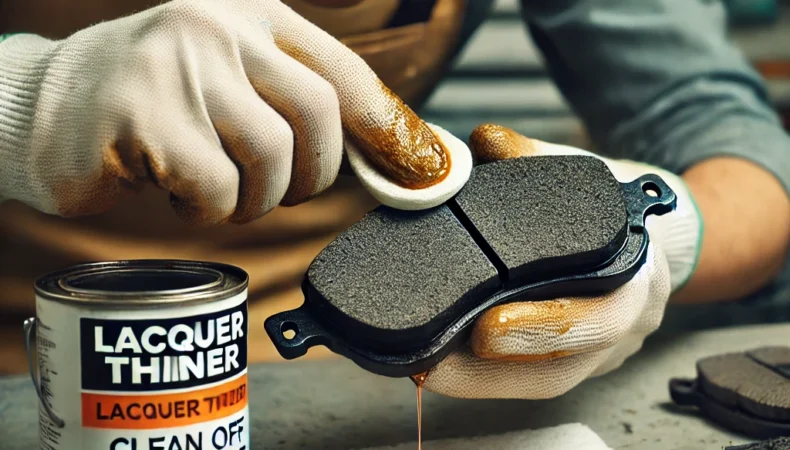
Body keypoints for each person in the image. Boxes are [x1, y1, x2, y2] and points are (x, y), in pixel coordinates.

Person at [0, 0, 788, 399]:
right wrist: (22, 99)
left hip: (349, 360)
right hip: (23, 361)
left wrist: (663, 232)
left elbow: (724, 130)